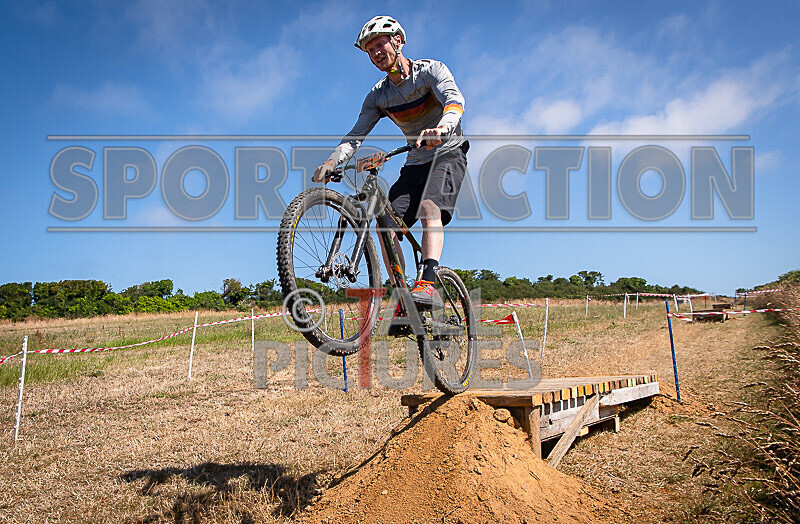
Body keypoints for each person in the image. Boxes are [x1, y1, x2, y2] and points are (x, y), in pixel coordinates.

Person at [313, 15, 468, 309]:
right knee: (386, 225)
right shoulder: (378, 95)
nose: (375, 53)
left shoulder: (430, 71)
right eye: (369, 50)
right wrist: (333, 160)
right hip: (415, 159)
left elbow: (454, 100)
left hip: (448, 151)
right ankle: (403, 296)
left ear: (397, 41)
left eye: (379, 44)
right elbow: (356, 134)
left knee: (428, 207)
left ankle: (429, 282)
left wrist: (442, 128)